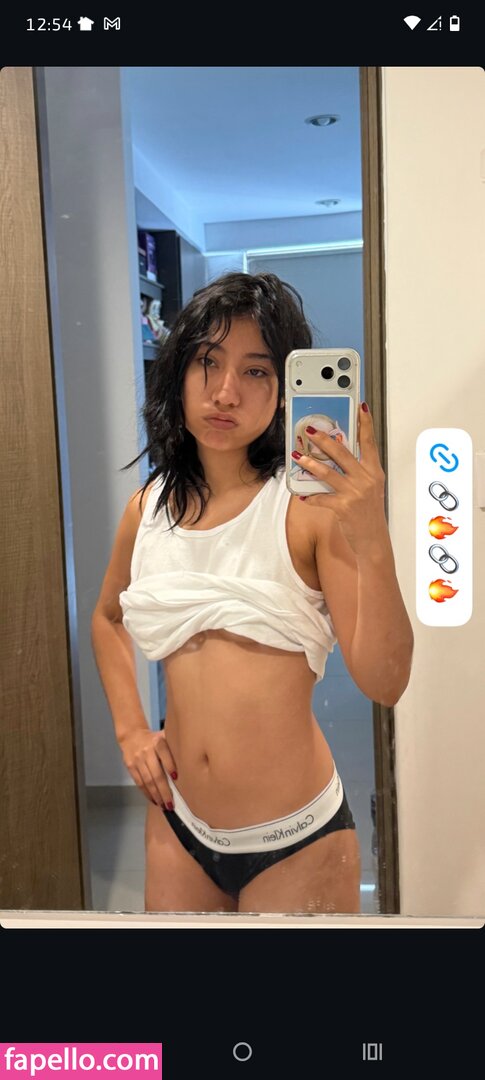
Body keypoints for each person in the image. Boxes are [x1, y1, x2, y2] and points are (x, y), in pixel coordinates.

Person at [91, 271, 414, 915]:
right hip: (178, 824)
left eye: (256, 371)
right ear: (179, 371)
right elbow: (107, 618)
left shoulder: (308, 513)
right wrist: (130, 731)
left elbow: (385, 681)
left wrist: (372, 535)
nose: (225, 392)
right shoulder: (146, 509)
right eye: (208, 362)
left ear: (285, 388)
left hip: (296, 837)